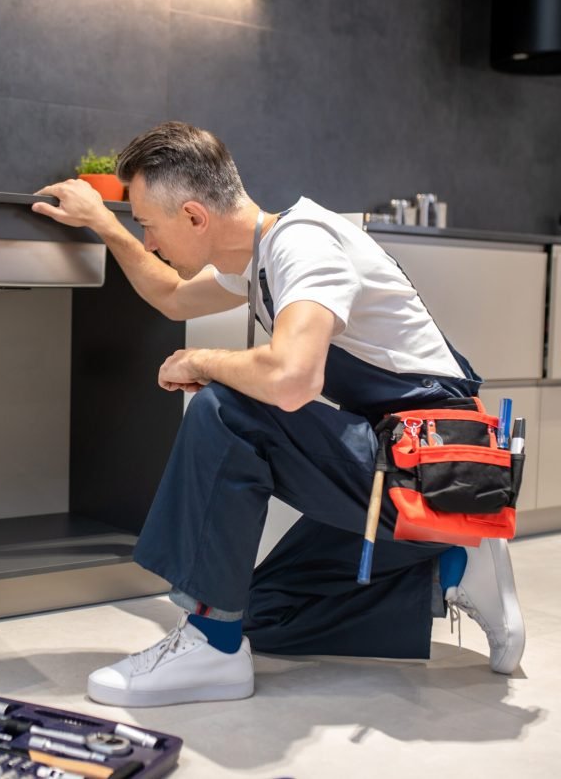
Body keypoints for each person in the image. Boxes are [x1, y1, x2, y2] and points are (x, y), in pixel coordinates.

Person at [31, 121, 525, 708]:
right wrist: (105, 223)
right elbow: (170, 294)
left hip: (437, 462)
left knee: (228, 409)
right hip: (393, 459)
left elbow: (293, 380)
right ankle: (450, 566)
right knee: (263, 613)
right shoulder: (258, 259)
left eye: (149, 224)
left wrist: (203, 359)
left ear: (194, 216)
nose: (152, 239)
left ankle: (209, 646)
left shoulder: (305, 245)